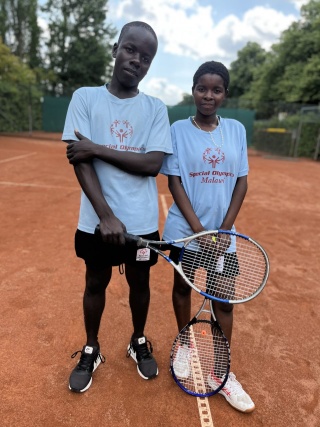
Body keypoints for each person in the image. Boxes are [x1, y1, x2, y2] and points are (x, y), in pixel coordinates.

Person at [62, 21, 172, 393]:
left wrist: (96, 146)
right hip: (96, 222)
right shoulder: (85, 98)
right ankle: (91, 347)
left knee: (141, 283)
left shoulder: (156, 108)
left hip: (141, 224)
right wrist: (106, 215)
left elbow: (152, 164)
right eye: (130, 49)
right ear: (115, 48)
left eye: (146, 57)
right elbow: (80, 160)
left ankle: (137, 339)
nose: (136, 60)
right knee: (96, 282)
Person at [160, 61, 255, 413]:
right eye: (202, 88)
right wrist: (199, 231)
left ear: (225, 94)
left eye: (216, 90)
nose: (208, 95)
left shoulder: (236, 130)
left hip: (222, 237)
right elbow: (174, 181)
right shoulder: (178, 130)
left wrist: (224, 228)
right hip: (187, 234)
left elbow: (242, 180)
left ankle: (223, 370)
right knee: (182, 288)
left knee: (224, 302)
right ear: (193, 90)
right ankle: (184, 345)